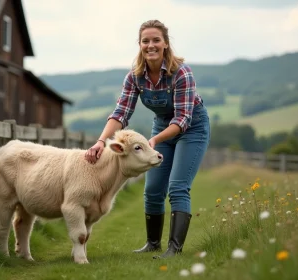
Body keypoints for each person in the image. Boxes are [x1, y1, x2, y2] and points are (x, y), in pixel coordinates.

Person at [84, 19, 210, 259]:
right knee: (152, 189)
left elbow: (183, 119)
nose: (150, 45)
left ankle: (174, 248)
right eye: (145, 41)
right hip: (162, 126)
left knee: (177, 187)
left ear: (165, 44)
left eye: (156, 40)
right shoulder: (135, 76)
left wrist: (153, 141)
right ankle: (152, 243)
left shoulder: (181, 73)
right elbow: (121, 113)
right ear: (139, 45)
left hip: (192, 128)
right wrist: (101, 141)